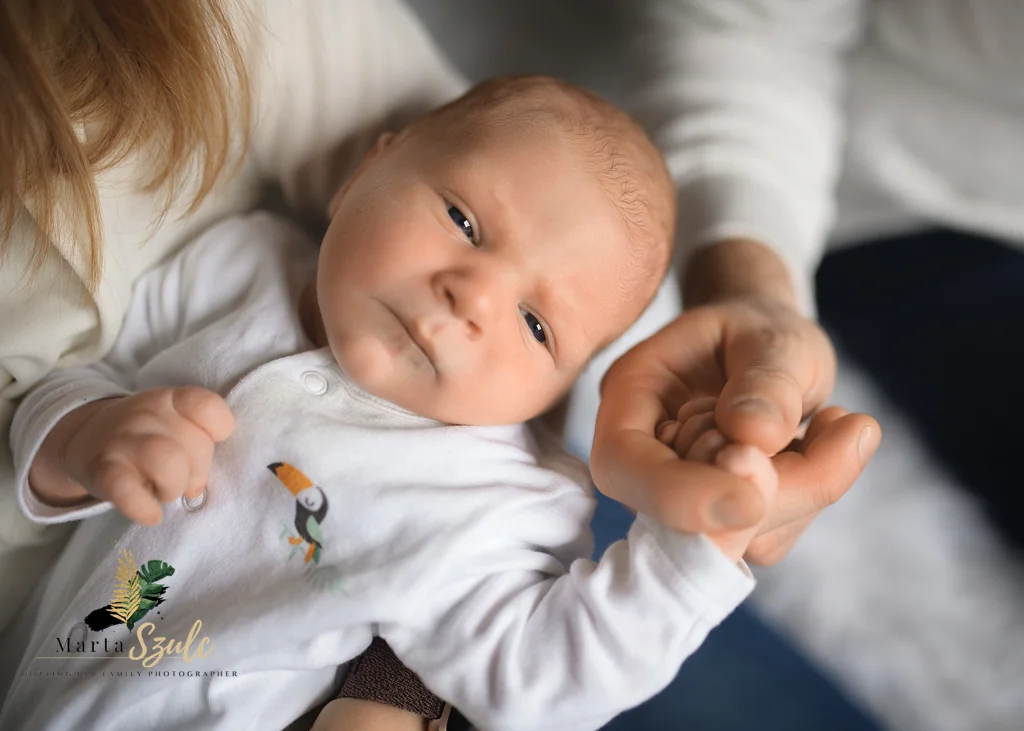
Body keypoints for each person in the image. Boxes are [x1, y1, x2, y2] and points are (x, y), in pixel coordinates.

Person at [2, 76, 778, 731]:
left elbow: (544, 675)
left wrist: (697, 548)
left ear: (557, 390)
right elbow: (78, 371)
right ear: (364, 171)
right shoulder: (235, 266)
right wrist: (83, 434)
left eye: (536, 325)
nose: (472, 296)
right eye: (464, 221)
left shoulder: (493, 497)